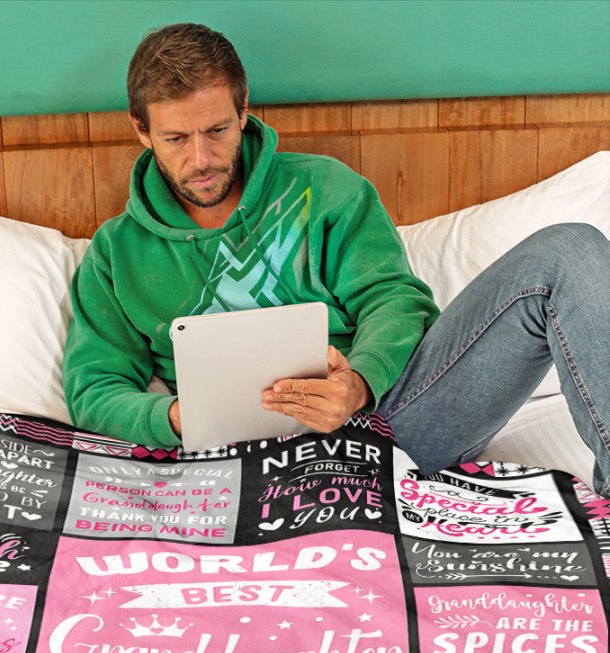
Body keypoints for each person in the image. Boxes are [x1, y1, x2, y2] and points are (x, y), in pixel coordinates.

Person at [62, 23, 610, 496]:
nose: (201, 159)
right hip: (233, 465)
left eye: (217, 130)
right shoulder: (115, 253)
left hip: (390, 425)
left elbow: (395, 301)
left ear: (244, 109)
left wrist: (360, 384)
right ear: (142, 130)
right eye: (177, 138)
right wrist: (176, 419)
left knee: (569, 250)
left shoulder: (328, 189)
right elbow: (95, 389)